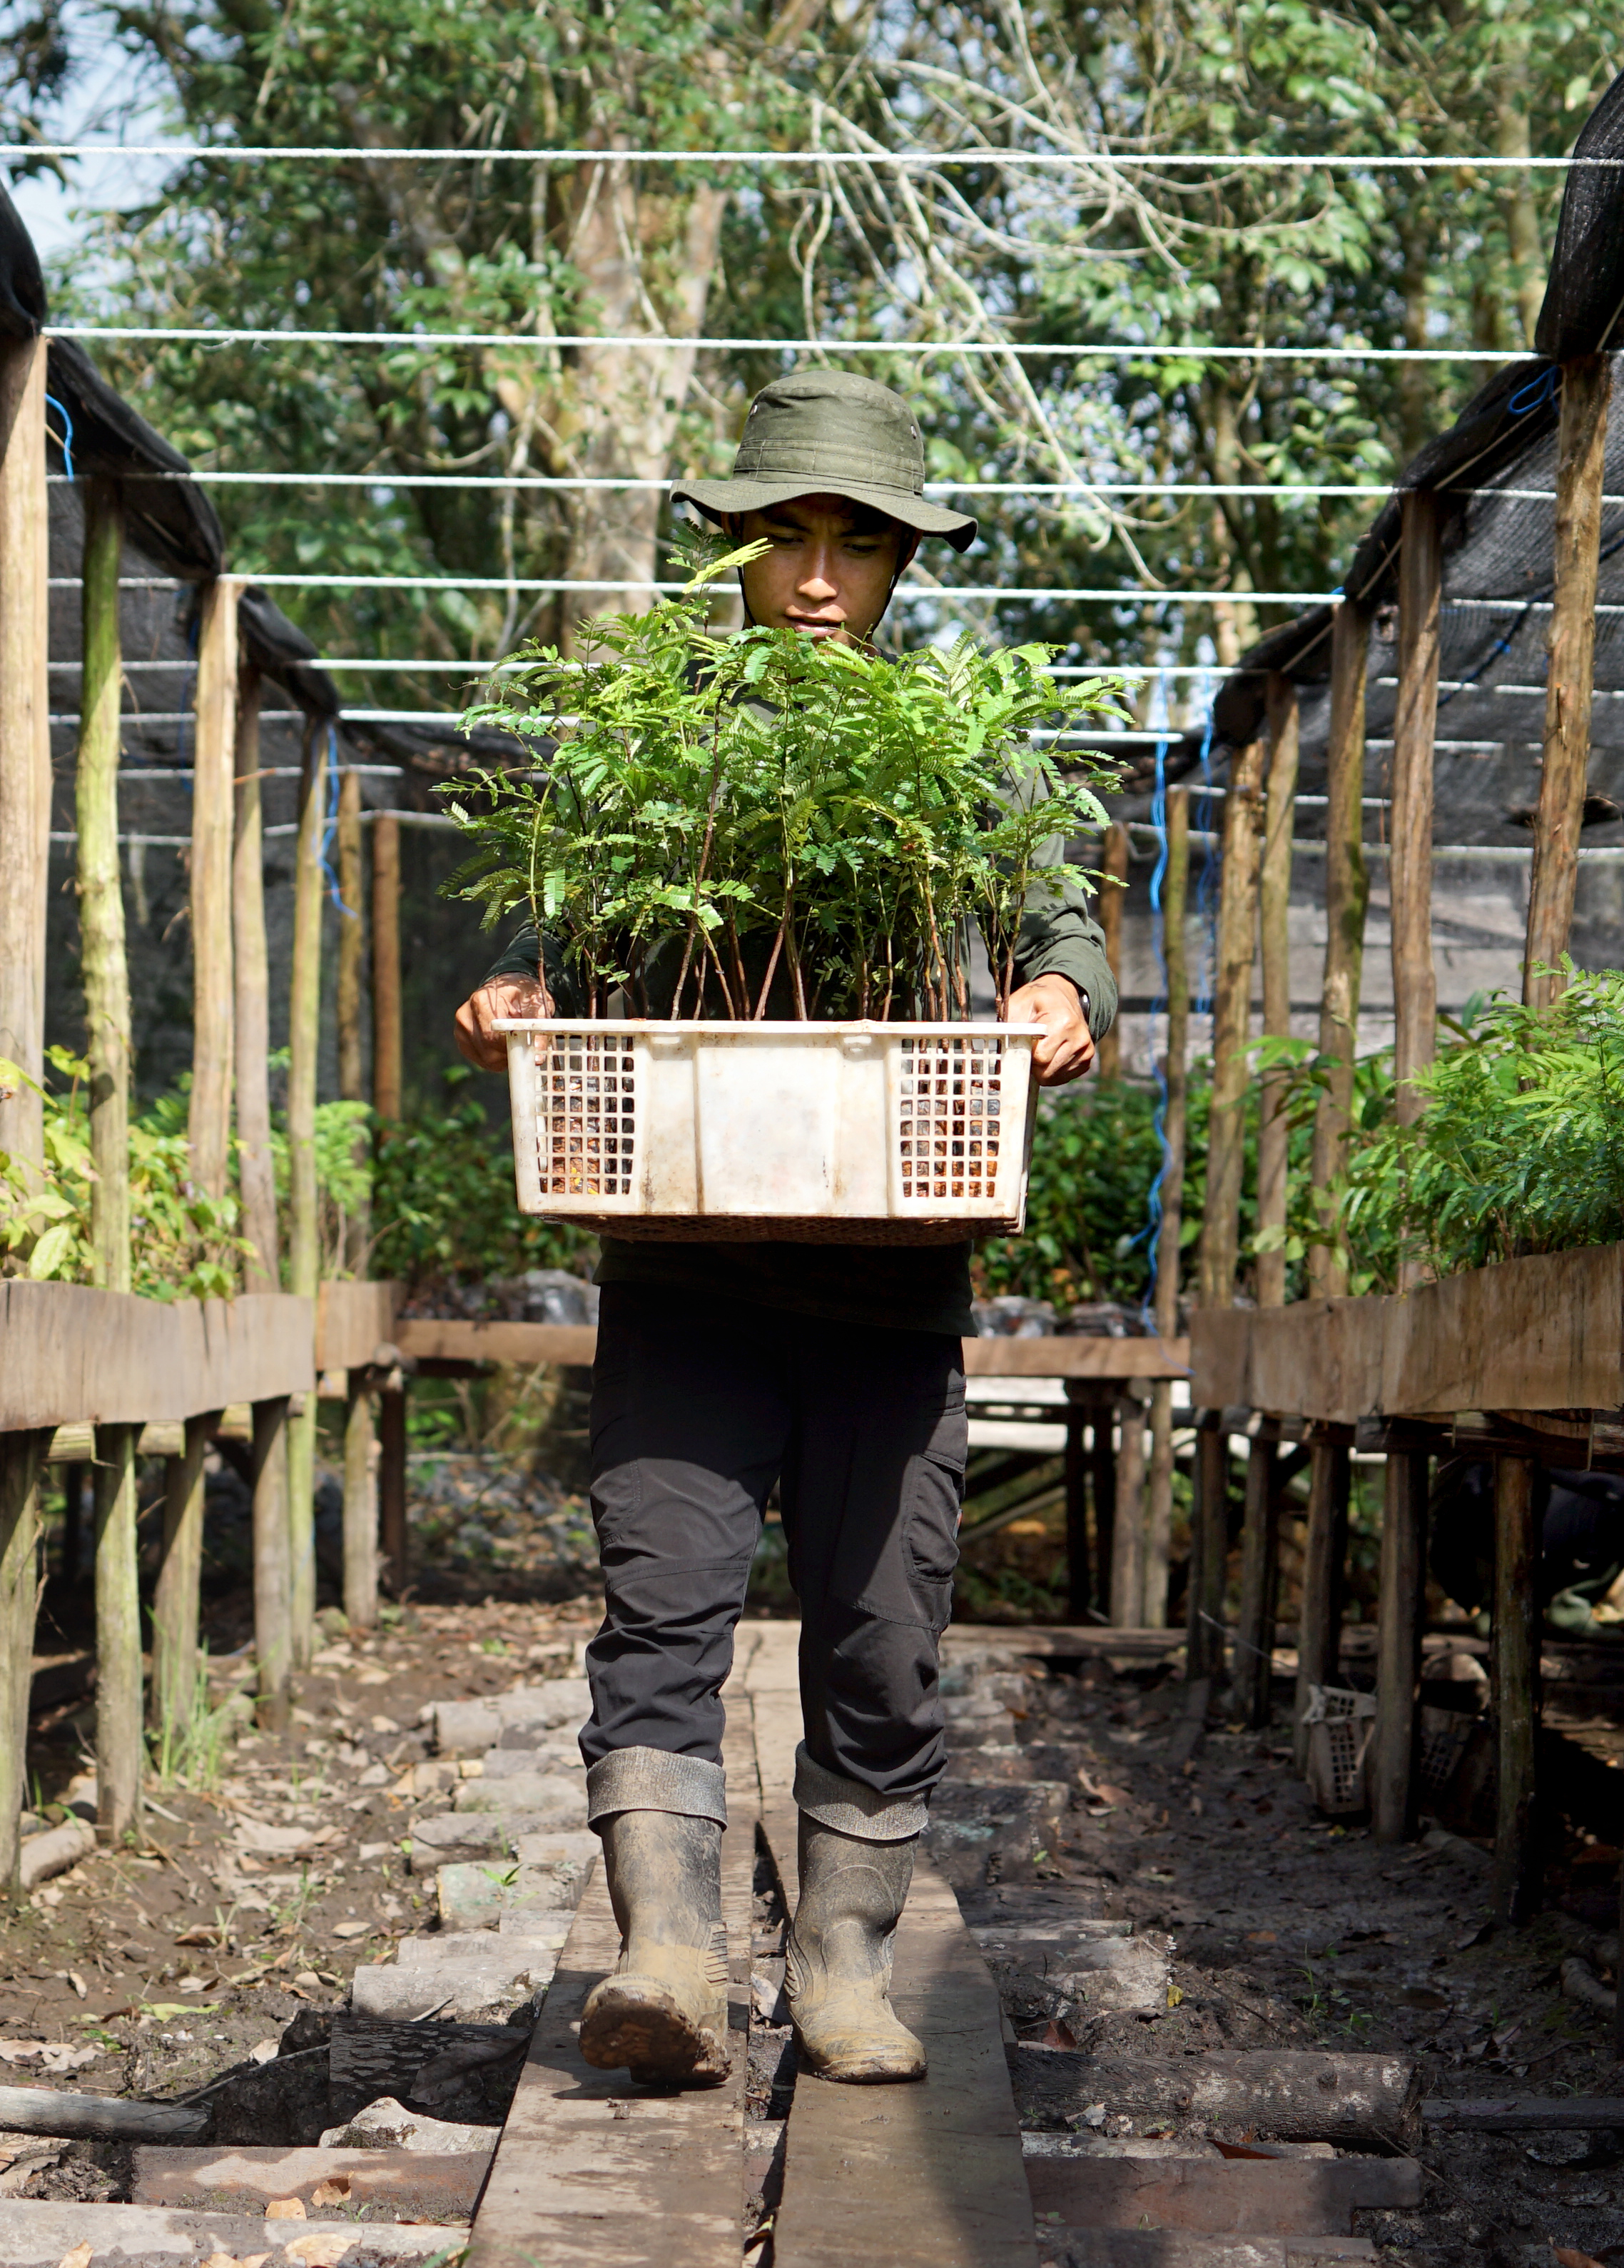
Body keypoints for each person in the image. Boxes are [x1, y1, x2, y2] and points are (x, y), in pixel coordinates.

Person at [451, 368, 1105, 2089]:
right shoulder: (649, 736)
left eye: (859, 544)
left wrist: (1058, 988)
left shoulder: (965, 747)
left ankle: (838, 1962)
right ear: (736, 547)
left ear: (902, 565)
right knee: (661, 1606)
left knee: (885, 1630)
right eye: (789, 537)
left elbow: (1064, 913)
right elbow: (563, 922)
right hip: (683, 1269)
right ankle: (667, 1945)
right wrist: (522, 983)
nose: (820, 577)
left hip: (894, 1285)